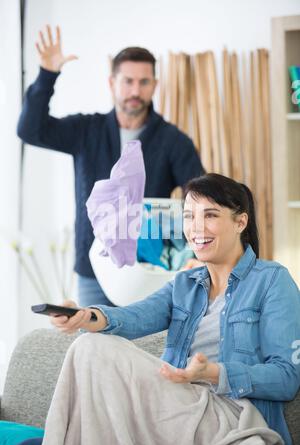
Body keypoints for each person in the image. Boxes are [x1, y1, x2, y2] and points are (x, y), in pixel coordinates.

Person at [16, 173, 300, 445]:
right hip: (176, 408)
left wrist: (214, 372)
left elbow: (286, 377)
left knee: (90, 349)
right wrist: (85, 315)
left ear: (240, 222)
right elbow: (134, 316)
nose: (196, 228)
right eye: (189, 216)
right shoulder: (184, 284)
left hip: (230, 415)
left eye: (210, 215)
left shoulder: (272, 280)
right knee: (89, 344)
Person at [17, 25, 205, 306]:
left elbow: (200, 198)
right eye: (127, 81)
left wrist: (192, 253)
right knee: (93, 347)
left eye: (143, 82)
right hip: (92, 271)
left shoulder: (173, 141)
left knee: (143, 348)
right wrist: (47, 74)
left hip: (149, 271)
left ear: (154, 85)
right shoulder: (86, 130)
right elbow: (31, 130)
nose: (135, 90)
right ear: (112, 83)